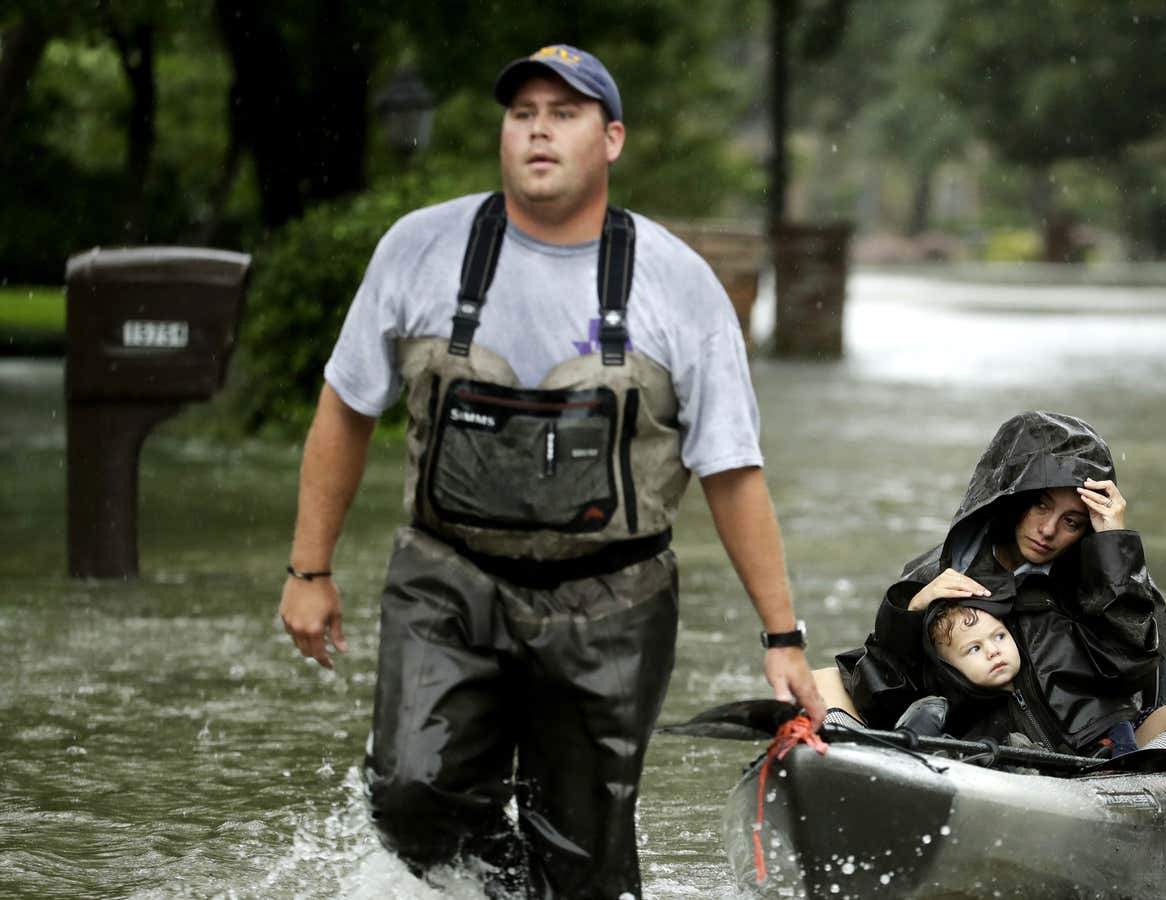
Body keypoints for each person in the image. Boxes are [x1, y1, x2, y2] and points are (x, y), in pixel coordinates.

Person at [276, 43, 823, 898]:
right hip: (446, 581)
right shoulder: (419, 249)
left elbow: (731, 468)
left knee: (584, 862)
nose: (538, 131)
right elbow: (343, 410)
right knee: (412, 798)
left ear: (609, 140)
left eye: (563, 115)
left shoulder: (678, 283)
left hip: (614, 603)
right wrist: (309, 569)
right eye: (522, 113)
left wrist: (782, 635)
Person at [826, 411, 1166, 771]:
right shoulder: (937, 575)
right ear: (1014, 499)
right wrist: (909, 614)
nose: (1048, 530)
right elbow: (885, 696)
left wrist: (1114, 547)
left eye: (1072, 521)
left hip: (1108, 753)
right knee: (821, 678)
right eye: (1042, 505)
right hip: (993, 757)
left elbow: (1134, 665)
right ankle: (844, 762)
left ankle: (1153, 773)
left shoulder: (1100, 572)